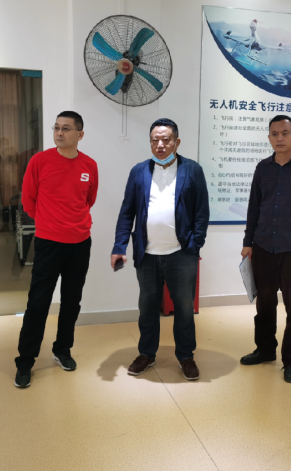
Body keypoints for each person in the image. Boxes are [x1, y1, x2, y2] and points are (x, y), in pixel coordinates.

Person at [111, 118, 209, 381]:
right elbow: (127, 212)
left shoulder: (192, 170)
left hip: (181, 254)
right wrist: (119, 246)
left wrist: (195, 244)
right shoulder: (139, 171)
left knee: (184, 309)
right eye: (155, 140)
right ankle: (147, 353)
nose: (160, 145)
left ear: (177, 142)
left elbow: (202, 211)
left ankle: (186, 356)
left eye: (166, 139)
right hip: (147, 255)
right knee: (147, 307)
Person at [14, 111, 98, 388]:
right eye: (57, 128)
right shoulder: (40, 161)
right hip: (49, 243)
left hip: (80, 243)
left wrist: (72, 223)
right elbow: (28, 200)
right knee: (38, 303)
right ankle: (25, 361)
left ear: (79, 134)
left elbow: (89, 199)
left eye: (66, 128)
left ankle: (62, 349)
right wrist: (50, 223)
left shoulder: (89, 165)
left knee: (72, 302)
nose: (59, 133)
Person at [240, 115, 291, 383]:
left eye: (285, 133)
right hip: (263, 246)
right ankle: (265, 350)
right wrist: (248, 242)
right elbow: (254, 207)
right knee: (264, 303)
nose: (280, 138)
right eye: (274, 134)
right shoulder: (263, 168)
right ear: (269, 137)